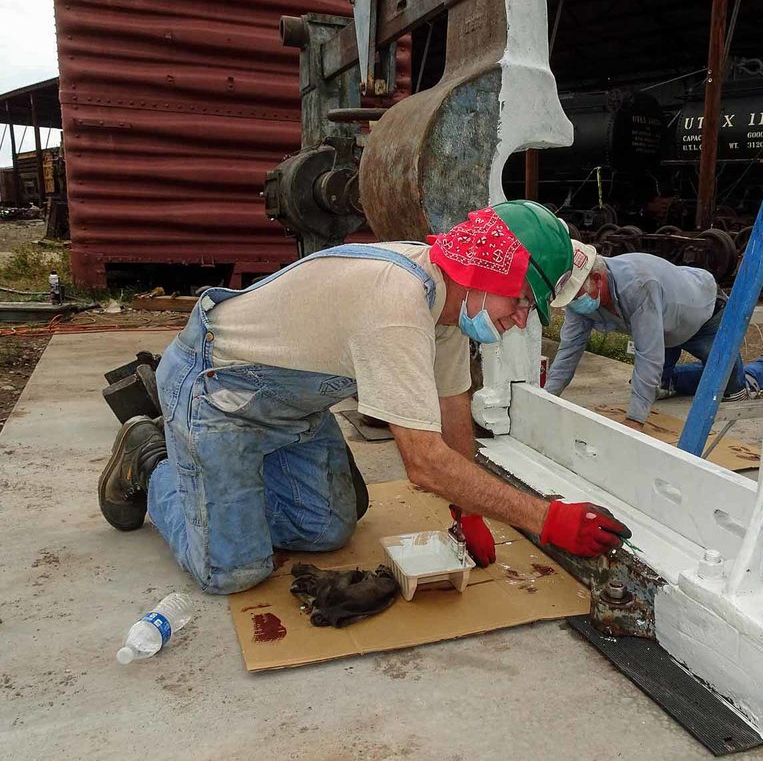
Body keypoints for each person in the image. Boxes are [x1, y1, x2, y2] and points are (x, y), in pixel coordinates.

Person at [97, 201, 631, 594]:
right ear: (486, 272)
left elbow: (452, 419)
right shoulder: (397, 305)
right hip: (218, 395)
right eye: (519, 301)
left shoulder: (446, 309)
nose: (519, 320)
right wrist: (547, 519)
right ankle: (154, 461)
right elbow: (424, 462)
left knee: (329, 530)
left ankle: (224, 490)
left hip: (294, 410)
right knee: (235, 572)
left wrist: (466, 512)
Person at [545, 243, 763, 431]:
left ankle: (762, 369)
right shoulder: (580, 300)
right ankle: (678, 377)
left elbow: (649, 356)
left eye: (576, 295)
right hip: (663, 326)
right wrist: (546, 399)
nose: (574, 302)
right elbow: (569, 350)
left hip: (705, 316)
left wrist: (634, 420)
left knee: (731, 393)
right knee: (652, 385)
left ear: (598, 279)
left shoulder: (639, 285)